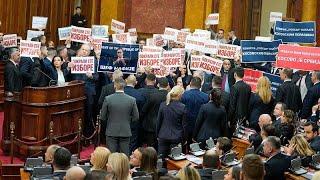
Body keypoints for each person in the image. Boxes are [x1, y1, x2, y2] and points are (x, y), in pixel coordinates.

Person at [100, 78, 139, 156]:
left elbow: (103, 117)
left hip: (111, 131)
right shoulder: (132, 100)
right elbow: (136, 117)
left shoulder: (108, 99)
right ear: (124, 86)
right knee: (124, 156)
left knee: (111, 156)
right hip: (125, 130)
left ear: (114, 86)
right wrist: (127, 122)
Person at [71, 43, 99, 137]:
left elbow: (97, 77)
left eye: (86, 50)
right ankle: (75, 135)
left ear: (89, 52)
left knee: (88, 113)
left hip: (88, 91)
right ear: (80, 49)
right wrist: (68, 67)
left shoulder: (93, 61)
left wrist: (91, 76)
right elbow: (67, 76)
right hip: (76, 90)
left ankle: (87, 136)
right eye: (83, 49)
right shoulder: (74, 59)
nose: (84, 52)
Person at [157, 86, 187, 158]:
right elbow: (184, 126)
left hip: (163, 135)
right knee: (174, 161)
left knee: (161, 160)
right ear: (180, 95)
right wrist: (185, 139)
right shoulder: (182, 107)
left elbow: (158, 122)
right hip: (176, 137)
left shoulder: (163, 105)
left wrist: (157, 134)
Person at [141, 77, 168, 149]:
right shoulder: (170, 96)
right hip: (165, 126)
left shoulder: (153, 96)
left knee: (151, 149)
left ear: (158, 85)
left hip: (151, 127)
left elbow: (144, 110)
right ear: (167, 85)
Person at [181, 77, 209, 145]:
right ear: (200, 86)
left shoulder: (184, 95)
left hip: (186, 126)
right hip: (200, 127)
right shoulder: (206, 96)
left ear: (190, 84)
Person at [124, 75, 145, 152]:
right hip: (134, 123)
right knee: (132, 144)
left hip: (120, 123)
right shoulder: (139, 95)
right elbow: (142, 110)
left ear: (126, 81)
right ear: (135, 83)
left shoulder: (120, 93)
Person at [229, 67, 251, 131]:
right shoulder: (248, 87)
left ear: (235, 75)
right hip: (244, 117)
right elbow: (249, 103)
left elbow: (232, 105)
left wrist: (229, 119)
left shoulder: (234, 87)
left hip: (235, 118)